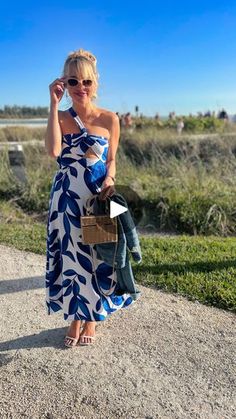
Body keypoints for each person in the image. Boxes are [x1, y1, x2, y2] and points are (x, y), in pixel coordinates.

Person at [45, 48, 136, 348]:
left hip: (98, 199)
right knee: (73, 260)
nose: (80, 88)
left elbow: (111, 161)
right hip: (67, 199)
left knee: (100, 257)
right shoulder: (60, 116)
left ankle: (93, 317)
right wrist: (53, 103)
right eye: (73, 82)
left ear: (96, 83)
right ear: (64, 84)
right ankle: (75, 316)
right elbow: (54, 152)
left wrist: (110, 179)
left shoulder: (110, 119)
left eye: (86, 82)